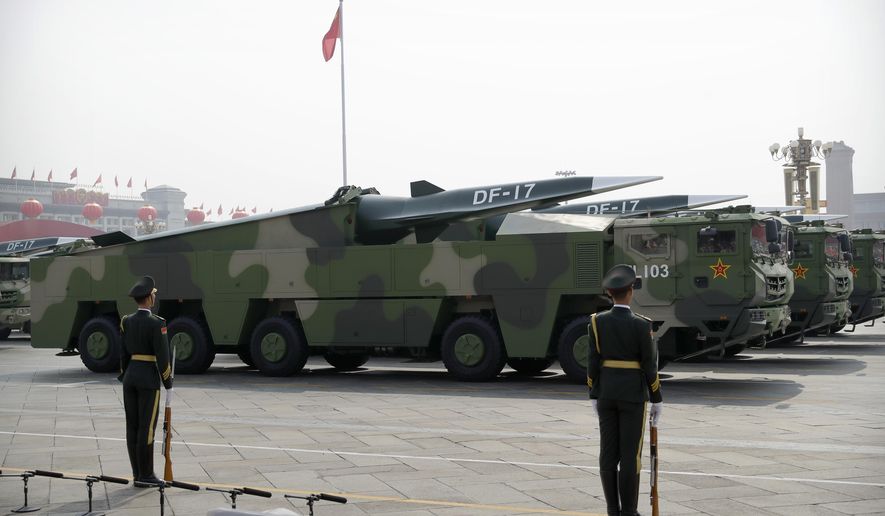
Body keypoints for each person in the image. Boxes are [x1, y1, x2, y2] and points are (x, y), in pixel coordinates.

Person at [587, 264, 663, 516]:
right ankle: (629, 512)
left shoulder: (597, 323)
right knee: (631, 456)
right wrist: (657, 398)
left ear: (611, 293)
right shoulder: (642, 325)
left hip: (607, 394)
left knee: (608, 453)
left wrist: (593, 393)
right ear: (630, 291)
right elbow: (649, 366)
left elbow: (592, 363)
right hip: (632, 396)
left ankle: (612, 510)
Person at [119, 275, 172, 485]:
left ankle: (136, 473)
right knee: (147, 427)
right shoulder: (157, 323)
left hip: (130, 377)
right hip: (148, 379)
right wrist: (168, 382)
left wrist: (125, 374)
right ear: (150, 298)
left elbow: (123, 353)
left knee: (132, 426)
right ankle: (147, 475)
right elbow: (163, 356)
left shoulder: (126, 321)